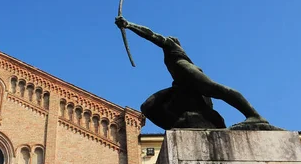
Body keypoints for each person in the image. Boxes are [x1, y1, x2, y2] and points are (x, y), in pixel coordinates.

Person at [115, 16, 269, 130]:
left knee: (213, 88)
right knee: (148, 106)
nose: (167, 39)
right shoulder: (170, 54)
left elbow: (152, 35)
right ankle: (178, 125)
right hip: (179, 82)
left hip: (187, 73)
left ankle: (253, 115)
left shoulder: (172, 47)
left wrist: (129, 25)